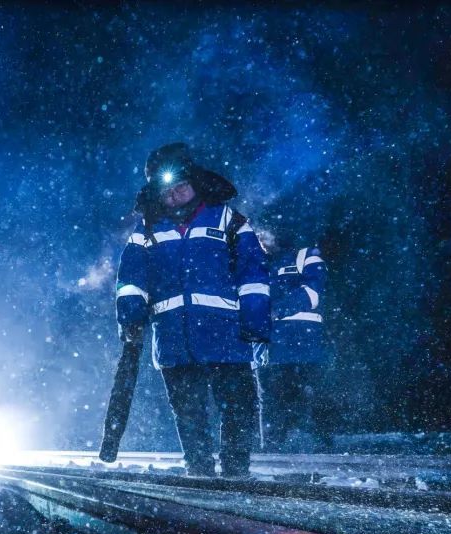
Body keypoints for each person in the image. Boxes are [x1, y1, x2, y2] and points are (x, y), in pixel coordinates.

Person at [115, 142, 271, 477]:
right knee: (188, 411)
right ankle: (199, 471)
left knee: (238, 404)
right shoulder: (146, 231)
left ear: (195, 183)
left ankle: (236, 470)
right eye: (166, 192)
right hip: (174, 337)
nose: (174, 196)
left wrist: (256, 321)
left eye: (181, 187)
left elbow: (253, 274)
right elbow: (131, 279)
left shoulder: (229, 220)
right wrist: (130, 316)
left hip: (227, 333)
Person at [258, 233, 330, 452]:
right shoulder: (256, 264)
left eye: (263, 234)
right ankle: (273, 451)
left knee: (306, 395)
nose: (260, 240)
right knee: (272, 399)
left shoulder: (306, 256)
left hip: (304, 343)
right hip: (271, 347)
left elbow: (313, 293)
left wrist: (276, 309)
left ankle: (316, 449)